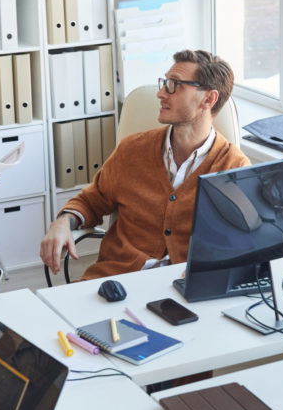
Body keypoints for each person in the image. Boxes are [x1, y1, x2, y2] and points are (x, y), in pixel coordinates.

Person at [40, 49, 249, 280]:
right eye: (164, 82)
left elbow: (245, 239)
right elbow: (91, 201)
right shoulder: (132, 150)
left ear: (208, 99)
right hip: (117, 280)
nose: (161, 93)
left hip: (185, 289)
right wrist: (62, 223)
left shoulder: (234, 167)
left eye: (174, 85)